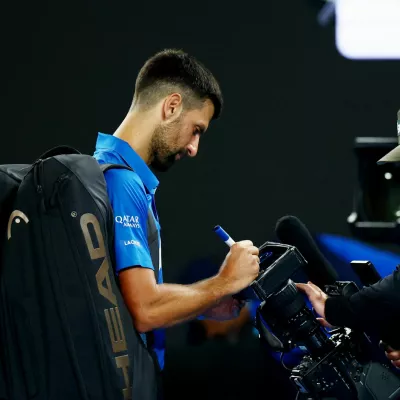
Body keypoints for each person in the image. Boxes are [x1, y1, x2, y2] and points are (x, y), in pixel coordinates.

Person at [93, 49, 260, 392]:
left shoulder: (106, 171)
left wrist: (208, 300)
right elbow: (145, 309)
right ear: (171, 107)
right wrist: (224, 282)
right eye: (196, 129)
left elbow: (124, 301)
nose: (194, 147)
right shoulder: (121, 183)